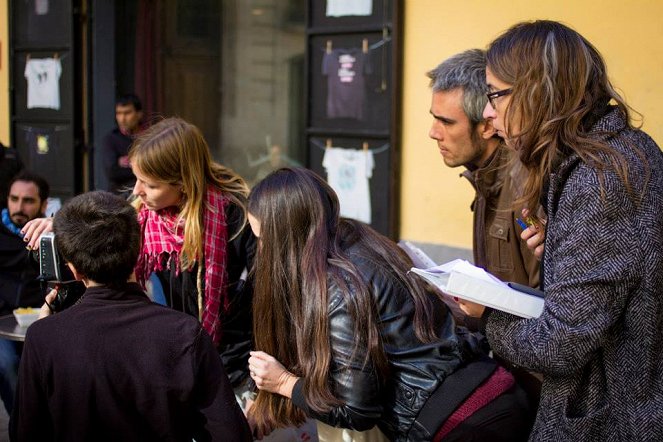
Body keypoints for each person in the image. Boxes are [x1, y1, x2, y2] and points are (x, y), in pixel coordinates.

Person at [460, 20, 663, 441]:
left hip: (616, 418)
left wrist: (486, 315)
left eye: (495, 94)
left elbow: (560, 345)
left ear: (538, 91)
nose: (487, 112)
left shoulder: (601, 178)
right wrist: (561, 250)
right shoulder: (612, 154)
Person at [245, 168, 531, 441]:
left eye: (262, 239)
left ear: (285, 237)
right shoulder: (363, 243)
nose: (260, 250)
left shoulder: (338, 288)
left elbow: (355, 409)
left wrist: (283, 383)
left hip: (460, 423)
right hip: (495, 389)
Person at [9, 190, 252, 441]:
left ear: (74, 269)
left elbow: (26, 431)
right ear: (138, 252)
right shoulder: (185, 334)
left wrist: (47, 333)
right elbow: (230, 433)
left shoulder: (45, 337)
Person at [128, 117, 257, 403]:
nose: (136, 191)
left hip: (227, 368)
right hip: (167, 362)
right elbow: (97, 227)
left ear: (183, 183)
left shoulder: (235, 215)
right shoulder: (143, 215)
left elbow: (264, 296)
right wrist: (61, 225)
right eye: (136, 179)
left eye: (148, 184)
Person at [427, 49, 540, 288]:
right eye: (434, 118)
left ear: (488, 126)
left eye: (446, 122)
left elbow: (546, 304)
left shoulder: (524, 186)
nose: (433, 133)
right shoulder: (484, 174)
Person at [0, 171, 49, 415]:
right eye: (14, 199)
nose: (19, 207)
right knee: (7, 365)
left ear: (44, 204)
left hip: (43, 320)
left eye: (28, 201)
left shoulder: (51, 235)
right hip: (1, 323)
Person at [102, 93, 143, 195]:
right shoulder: (111, 139)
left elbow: (157, 169)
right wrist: (142, 166)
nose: (122, 118)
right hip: (119, 196)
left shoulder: (150, 137)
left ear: (139, 114)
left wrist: (128, 164)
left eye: (127, 113)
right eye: (119, 113)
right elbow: (112, 172)